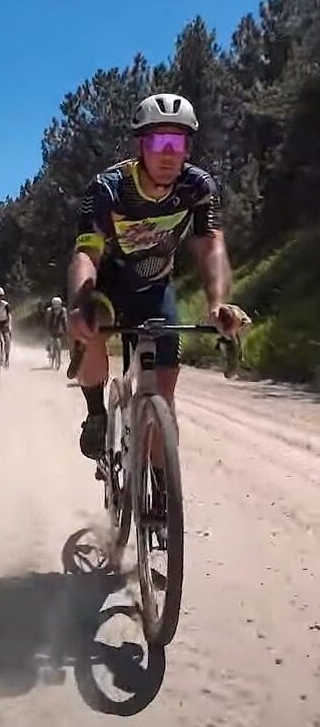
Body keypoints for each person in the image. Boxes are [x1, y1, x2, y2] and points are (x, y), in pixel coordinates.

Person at [68, 92, 247, 462]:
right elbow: (86, 253)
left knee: (164, 397)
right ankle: (96, 412)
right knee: (92, 325)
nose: (167, 153)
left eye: (176, 143)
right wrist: (80, 302)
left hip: (155, 289)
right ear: (141, 146)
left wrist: (217, 303)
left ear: (187, 148)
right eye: (157, 142)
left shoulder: (198, 187)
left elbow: (210, 244)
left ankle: (164, 486)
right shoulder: (107, 188)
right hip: (106, 288)